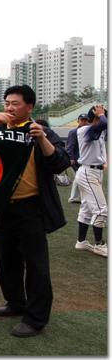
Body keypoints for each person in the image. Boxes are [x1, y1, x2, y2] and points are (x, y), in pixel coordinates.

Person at [0, 85, 70, 337]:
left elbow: (61, 163)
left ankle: (36, 318)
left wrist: (41, 139)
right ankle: (15, 302)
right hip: (2, 208)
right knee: (6, 259)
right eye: (7, 103)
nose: (9, 107)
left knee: (36, 265)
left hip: (31, 208)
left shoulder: (40, 132)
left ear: (29, 107)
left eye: (15, 103)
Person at [74, 104, 107, 257]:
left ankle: (81, 241)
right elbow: (104, 123)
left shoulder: (100, 129)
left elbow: (105, 124)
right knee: (101, 209)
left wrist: (101, 115)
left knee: (87, 208)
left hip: (95, 172)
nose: (104, 116)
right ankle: (99, 244)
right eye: (101, 115)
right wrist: (100, 114)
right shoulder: (84, 130)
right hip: (88, 172)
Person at [67, 114, 89, 204]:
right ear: (78, 121)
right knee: (80, 178)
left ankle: (74, 198)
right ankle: (75, 197)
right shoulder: (74, 132)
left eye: (85, 120)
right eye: (82, 120)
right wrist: (71, 158)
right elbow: (70, 146)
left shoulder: (88, 131)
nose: (84, 122)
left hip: (85, 159)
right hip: (76, 159)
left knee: (78, 178)